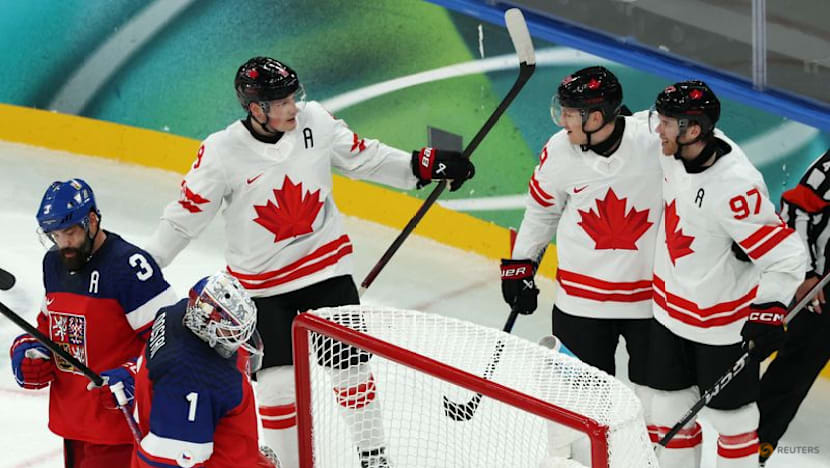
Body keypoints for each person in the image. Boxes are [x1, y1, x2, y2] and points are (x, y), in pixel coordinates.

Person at [143, 56, 475, 468]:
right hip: (261, 290)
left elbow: (364, 157)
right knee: (278, 388)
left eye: (293, 97)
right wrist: (145, 264)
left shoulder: (315, 121)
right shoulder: (221, 151)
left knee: (351, 371)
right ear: (255, 108)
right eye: (281, 101)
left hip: (326, 272)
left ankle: (374, 459)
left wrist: (420, 164)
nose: (293, 107)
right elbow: (185, 216)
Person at [501, 66, 662, 462]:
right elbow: (541, 213)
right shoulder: (559, 151)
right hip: (580, 304)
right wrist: (520, 266)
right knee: (577, 406)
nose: (562, 119)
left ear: (597, 118)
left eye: (571, 113)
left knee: (657, 404)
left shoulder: (653, 142)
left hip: (650, 305)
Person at [643, 81, 807, 468]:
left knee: (734, 423)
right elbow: (625, 127)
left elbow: (786, 257)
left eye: (666, 123)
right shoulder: (671, 149)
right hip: (669, 316)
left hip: (720, 328)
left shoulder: (735, 187)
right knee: (666, 411)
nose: (657, 130)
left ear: (693, 130)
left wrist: (768, 311)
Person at [9, 178, 177, 467]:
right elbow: (49, 326)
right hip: (74, 422)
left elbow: (174, 340)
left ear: (92, 220)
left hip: (120, 429)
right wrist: (29, 350)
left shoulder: (129, 267)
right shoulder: (54, 263)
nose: (63, 244)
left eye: (70, 233)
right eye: (54, 235)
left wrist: (133, 374)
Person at [131, 271, 278, 468]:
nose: (238, 339)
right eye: (230, 330)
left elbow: (152, 365)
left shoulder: (176, 313)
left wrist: (128, 372)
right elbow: (167, 462)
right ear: (204, 321)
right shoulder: (191, 380)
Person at [757, 147, 830, 466]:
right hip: (823, 291)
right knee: (793, 371)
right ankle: (754, 445)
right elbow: (797, 207)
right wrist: (808, 273)